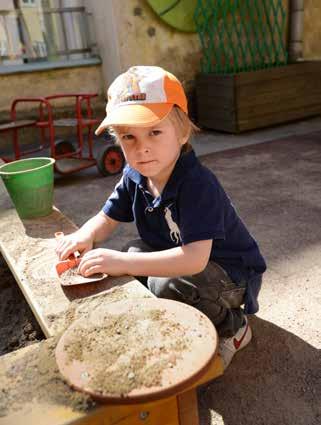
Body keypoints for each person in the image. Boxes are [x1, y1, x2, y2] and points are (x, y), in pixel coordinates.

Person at [56, 65, 266, 369]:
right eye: (129, 137)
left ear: (181, 132)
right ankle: (170, 315)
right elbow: (108, 216)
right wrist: (85, 235)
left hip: (229, 275)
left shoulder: (197, 183)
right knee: (133, 250)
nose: (142, 148)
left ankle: (233, 328)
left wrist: (120, 263)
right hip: (191, 265)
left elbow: (194, 260)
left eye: (154, 132)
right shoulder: (135, 175)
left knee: (165, 283)